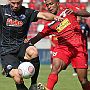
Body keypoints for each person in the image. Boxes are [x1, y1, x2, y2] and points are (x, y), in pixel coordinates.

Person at [27, 0, 90, 90]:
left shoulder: (68, 10)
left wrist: (76, 12)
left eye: (51, 4)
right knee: (55, 67)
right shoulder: (49, 24)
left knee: (83, 80)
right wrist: (26, 43)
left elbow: (87, 13)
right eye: (47, 5)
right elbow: (38, 37)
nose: (49, 7)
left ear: (57, 3)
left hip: (79, 48)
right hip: (63, 48)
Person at [0, 0, 63, 90]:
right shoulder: (2, 10)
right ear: (9, 1)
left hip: (21, 46)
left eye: (18, 3)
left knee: (33, 51)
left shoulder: (27, 12)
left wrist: (56, 17)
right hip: (7, 51)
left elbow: (44, 15)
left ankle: (33, 84)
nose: (16, 5)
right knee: (18, 78)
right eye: (13, 3)